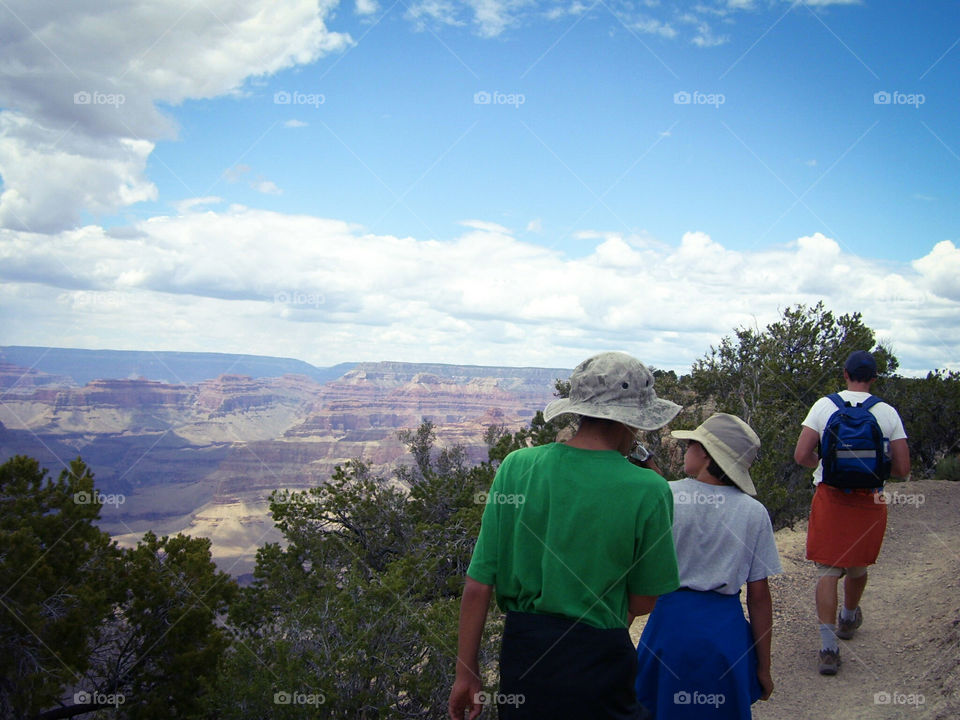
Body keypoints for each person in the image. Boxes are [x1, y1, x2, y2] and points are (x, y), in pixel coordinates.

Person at [448, 351, 682, 720]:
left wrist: (466, 672)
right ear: (631, 422)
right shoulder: (650, 489)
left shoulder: (517, 466)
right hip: (601, 659)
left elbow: (478, 584)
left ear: (578, 410)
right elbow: (643, 601)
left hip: (524, 657)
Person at [634, 413, 782, 719]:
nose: (686, 449)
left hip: (668, 629)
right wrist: (764, 667)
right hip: (726, 635)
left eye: (691, 444)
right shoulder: (754, 513)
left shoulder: (667, 496)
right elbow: (759, 598)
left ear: (704, 453)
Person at [793, 350, 910, 675]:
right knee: (857, 566)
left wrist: (825, 466)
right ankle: (848, 616)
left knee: (827, 571)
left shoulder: (823, 406)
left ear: (845, 373)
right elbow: (902, 468)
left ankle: (828, 648)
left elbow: (801, 455)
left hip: (830, 497)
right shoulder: (887, 412)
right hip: (869, 500)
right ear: (874, 377)